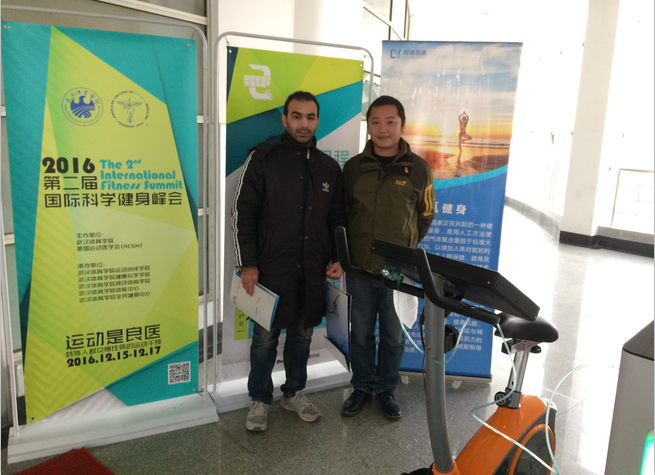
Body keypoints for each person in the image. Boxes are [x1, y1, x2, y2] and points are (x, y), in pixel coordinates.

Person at [232, 91, 345, 431]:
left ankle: (294, 392)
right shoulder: (264, 158)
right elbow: (243, 212)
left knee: (302, 335)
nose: (303, 123)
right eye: (297, 116)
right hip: (270, 269)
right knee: (265, 339)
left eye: (310, 117)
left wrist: (339, 258)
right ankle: (259, 398)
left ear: (317, 120)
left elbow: (337, 218)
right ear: (284, 119)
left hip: (311, 269)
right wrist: (248, 263)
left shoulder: (328, 167)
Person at [341, 96, 435, 420]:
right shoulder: (354, 168)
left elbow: (425, 215)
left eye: (390, 121)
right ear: (368, 126)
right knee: (360, 332)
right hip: (359, 267)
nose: (383, 128)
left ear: (401, 125)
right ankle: (362, 386)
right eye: (376, 122)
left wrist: (405, 248)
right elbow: (343, 213)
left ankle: (386, 389)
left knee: (393, 335)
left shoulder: (419, 169)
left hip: (398, 271)